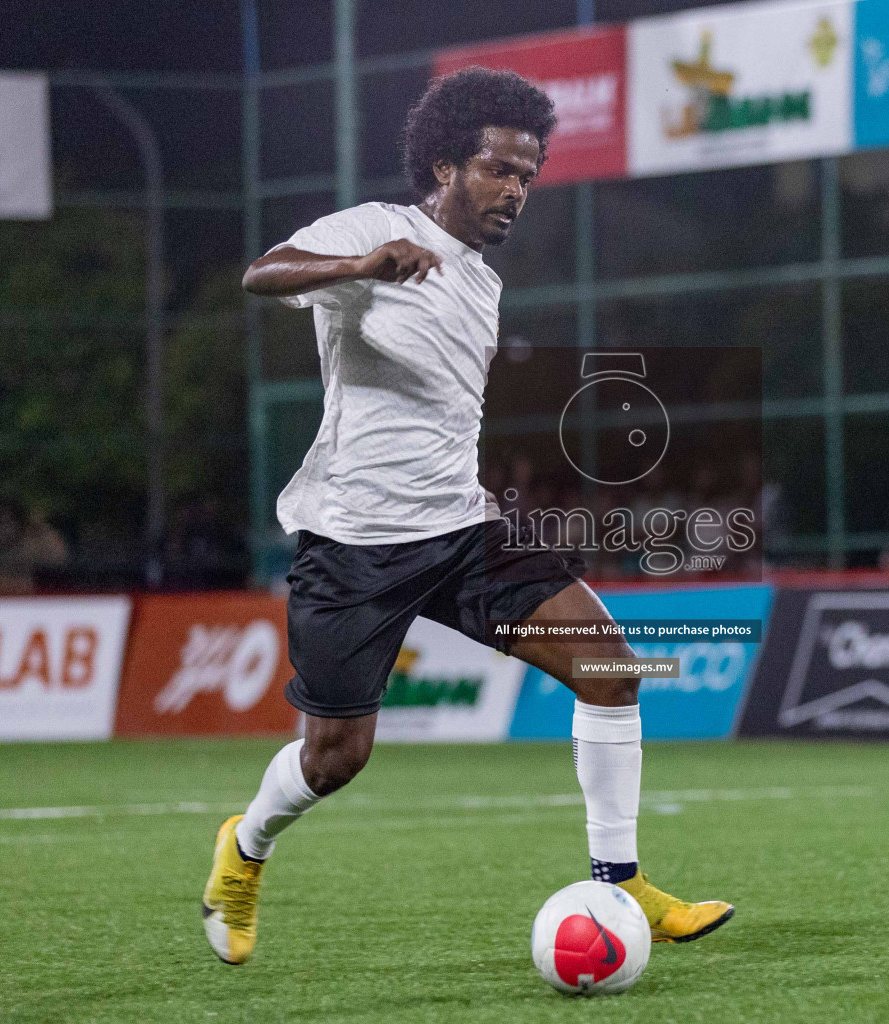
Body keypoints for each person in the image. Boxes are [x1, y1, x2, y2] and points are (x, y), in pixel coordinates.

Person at [203, 68, 732, 967]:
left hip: (461, 532)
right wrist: (359, 269)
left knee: (612, 669)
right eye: (498, 170)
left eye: (528, 175)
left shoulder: (481, 284)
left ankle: (621, 882)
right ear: (445, 165)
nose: (516, 191)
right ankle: (244, 850)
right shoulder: (374, 231)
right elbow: (263, 274)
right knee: (335, 758)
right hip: (356, 543)